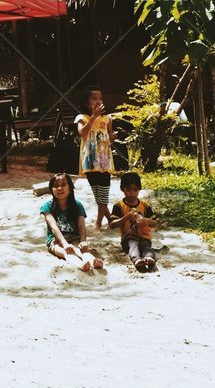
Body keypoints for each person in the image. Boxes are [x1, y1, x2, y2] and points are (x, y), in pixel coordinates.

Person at [41, 173, 104, 272]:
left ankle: (93, 261)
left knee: (82, 250)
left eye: (63, 185)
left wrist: (83, 241)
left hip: (74, 237)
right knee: (67, 252)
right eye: (56, 186)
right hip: (55, 240)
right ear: (51, 190)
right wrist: (65, 244)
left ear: (70, 189)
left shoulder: (77, 205)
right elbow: (54, 227)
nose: (59, 188)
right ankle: (81, 265)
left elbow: (81, 226)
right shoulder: (47, 206)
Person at [75, 86, 116, 230]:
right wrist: (93, 116)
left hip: (104, 161)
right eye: (94, 98)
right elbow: (83, 133)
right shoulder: (82, 118)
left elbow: (109, 138)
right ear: (87, 103)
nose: (98, 101)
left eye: (100, 98)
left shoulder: (107, 118)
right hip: (90, 161)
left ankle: (98, 223)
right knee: (98, 194)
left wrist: (112, 138)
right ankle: (110, 218)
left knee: (104, 193)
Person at [110, 172, 159, 272]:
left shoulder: (145, 206)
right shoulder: (119, 206)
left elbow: (155, 223)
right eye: (128, 190)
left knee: (147, 247)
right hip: (128, 238)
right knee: (133, 245)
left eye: (135, 190)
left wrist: (146, 221)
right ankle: (136, 260)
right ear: (122, 189)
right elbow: (112, 224)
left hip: (144, 236)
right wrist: (126, 217)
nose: (132, 193)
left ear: (139, 189)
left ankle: (149, 258)